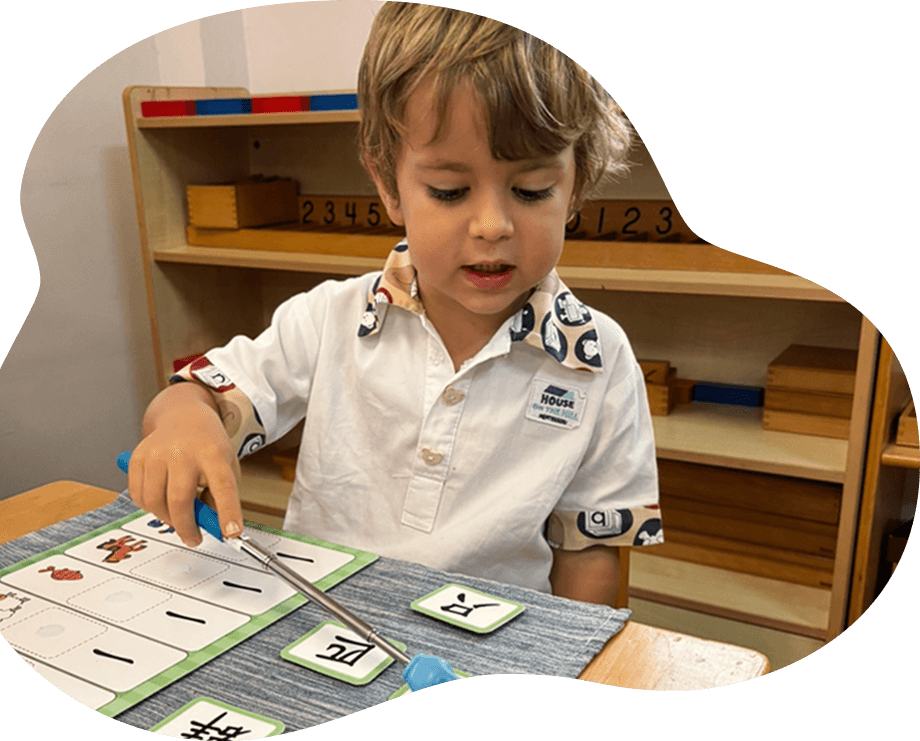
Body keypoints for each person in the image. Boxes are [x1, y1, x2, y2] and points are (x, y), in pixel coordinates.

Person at [127, 4, 661, 605]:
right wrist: (183, 422)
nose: (492, 225)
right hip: (326, 621)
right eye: (449, 191)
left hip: (498, 641)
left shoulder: (600, 358)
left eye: (532, 190)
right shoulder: (328, 320)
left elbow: (589, 549)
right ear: (388, 185)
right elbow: (203, 395)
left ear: (576, 187)